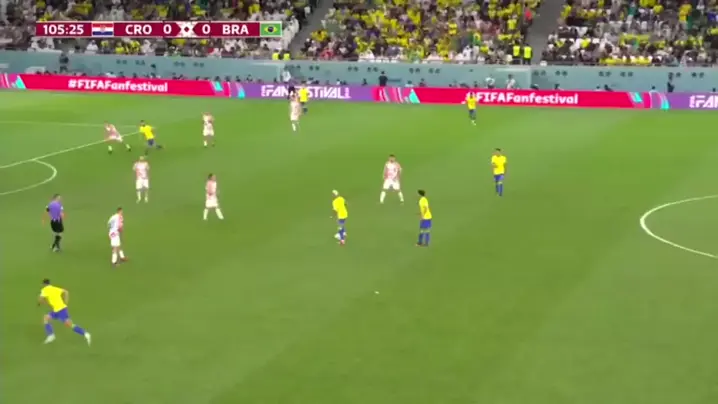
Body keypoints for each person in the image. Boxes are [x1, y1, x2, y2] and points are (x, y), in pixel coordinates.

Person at [38, 278, 91, 345]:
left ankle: (86, 334)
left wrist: (43, 303)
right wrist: (66, 302)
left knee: (69, 324)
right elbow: (66, 292)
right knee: (46, 318)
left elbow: (40, 299)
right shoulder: (55, 288)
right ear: (49, 283)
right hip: (56, 310)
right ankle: (51, 336)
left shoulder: (44, 290)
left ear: (44, 284)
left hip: (61, 310)